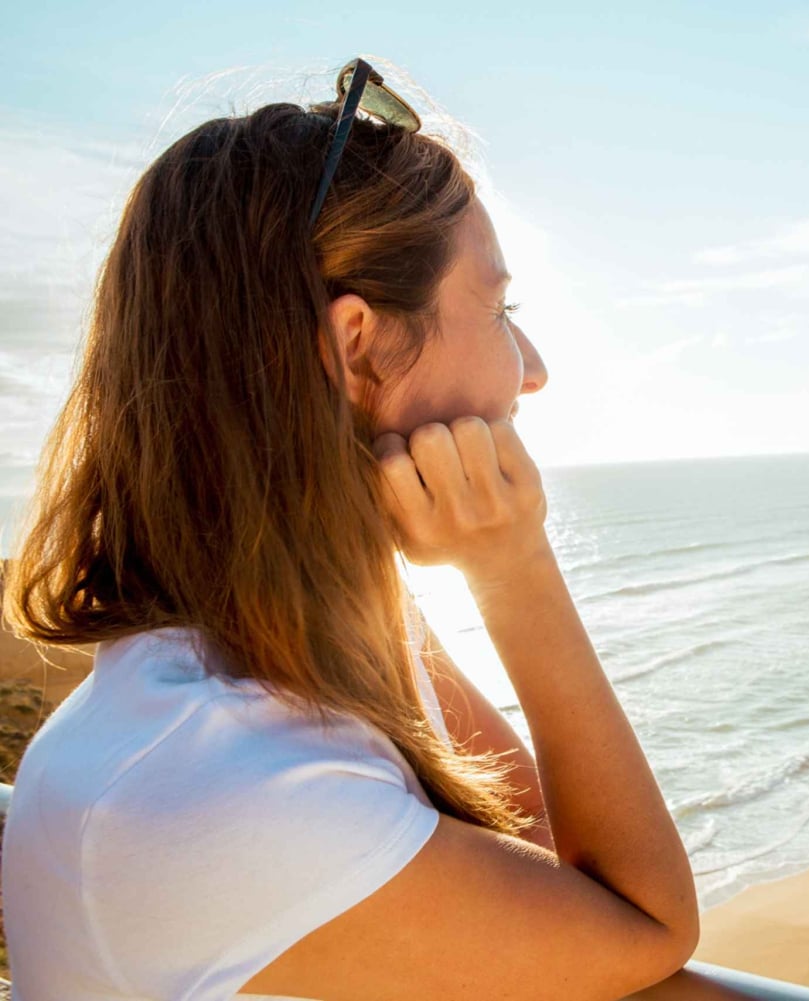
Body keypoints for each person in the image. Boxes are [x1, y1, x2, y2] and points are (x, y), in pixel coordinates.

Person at [0, 58, 703, 999]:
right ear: (356, 346)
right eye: (501, 309)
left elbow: (533, 857)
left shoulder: (270, 657)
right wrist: (516, 567)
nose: (531, 370)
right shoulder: (230, 786)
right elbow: (641, 922)